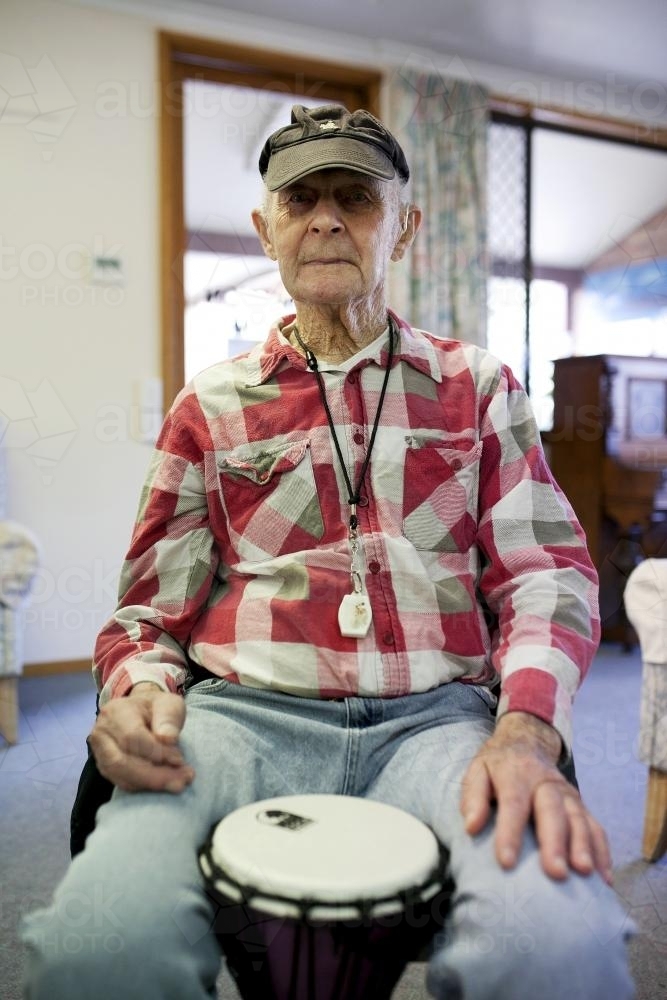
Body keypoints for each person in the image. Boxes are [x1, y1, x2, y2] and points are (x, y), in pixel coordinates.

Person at [21, 103, 634, 999]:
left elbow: (547, 574)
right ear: (265, 229)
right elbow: (147, 614)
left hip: (443, 725)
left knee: (556, 948)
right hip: (237, 719)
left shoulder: (478, 389)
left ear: (405, 227)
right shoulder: (211, 406)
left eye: (356, 198)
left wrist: (527, 728)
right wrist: (142, 695)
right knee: (98, 946)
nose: (326, 219)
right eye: (300, 198)